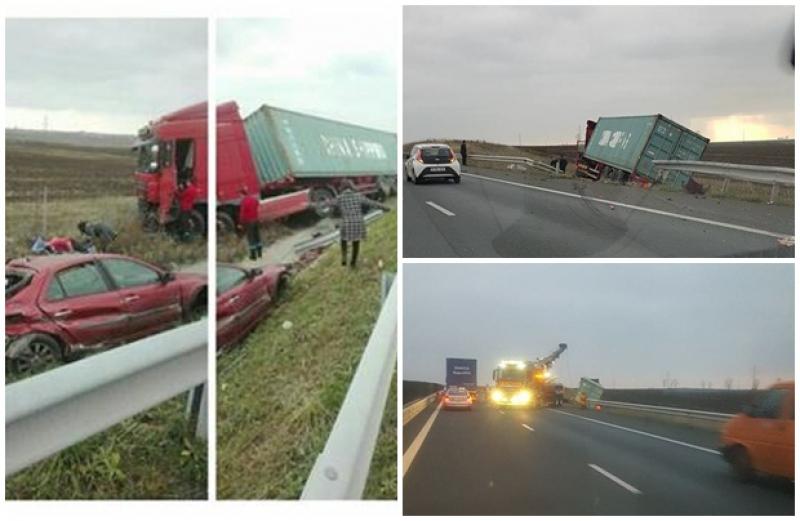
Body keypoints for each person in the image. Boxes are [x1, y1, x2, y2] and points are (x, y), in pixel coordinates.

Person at [334, 180, 390, 268]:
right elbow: (372, 203)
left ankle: (344, 258)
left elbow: (327, 203)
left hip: (346, 224)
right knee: (356, 243)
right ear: (351, 186)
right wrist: (385, 208)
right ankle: (353, 263)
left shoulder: (339, 198)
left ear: (342, 188)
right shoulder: (358, 196)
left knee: (343, 240)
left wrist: (311, 204)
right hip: (358, 223)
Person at [238, 186, 262, 260]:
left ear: (242, 194)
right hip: (256, 220)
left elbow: (242, 214)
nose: (240, 197)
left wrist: (240, 223)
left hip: (249, 221)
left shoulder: (244, 201)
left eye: (240, 195)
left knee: (251, 238)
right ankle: (260, 253)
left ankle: (253, 256)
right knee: (257, 236)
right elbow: (258, 206)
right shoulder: (254, 199)